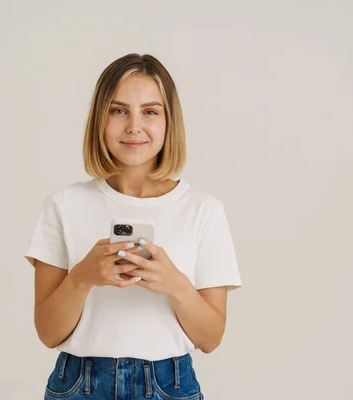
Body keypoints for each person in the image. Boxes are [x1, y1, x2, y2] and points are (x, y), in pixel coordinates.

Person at [24, 53, 242, 400]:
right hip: (79, 384)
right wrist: (82, 277)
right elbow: (48, 333)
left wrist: (177, 286)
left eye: (150, 112)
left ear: (170, 122)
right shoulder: (63, 205)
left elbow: (210, 338)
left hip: (169, 384)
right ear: (100, 118)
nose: (133, 126)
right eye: (118, 110)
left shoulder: (204, 211)